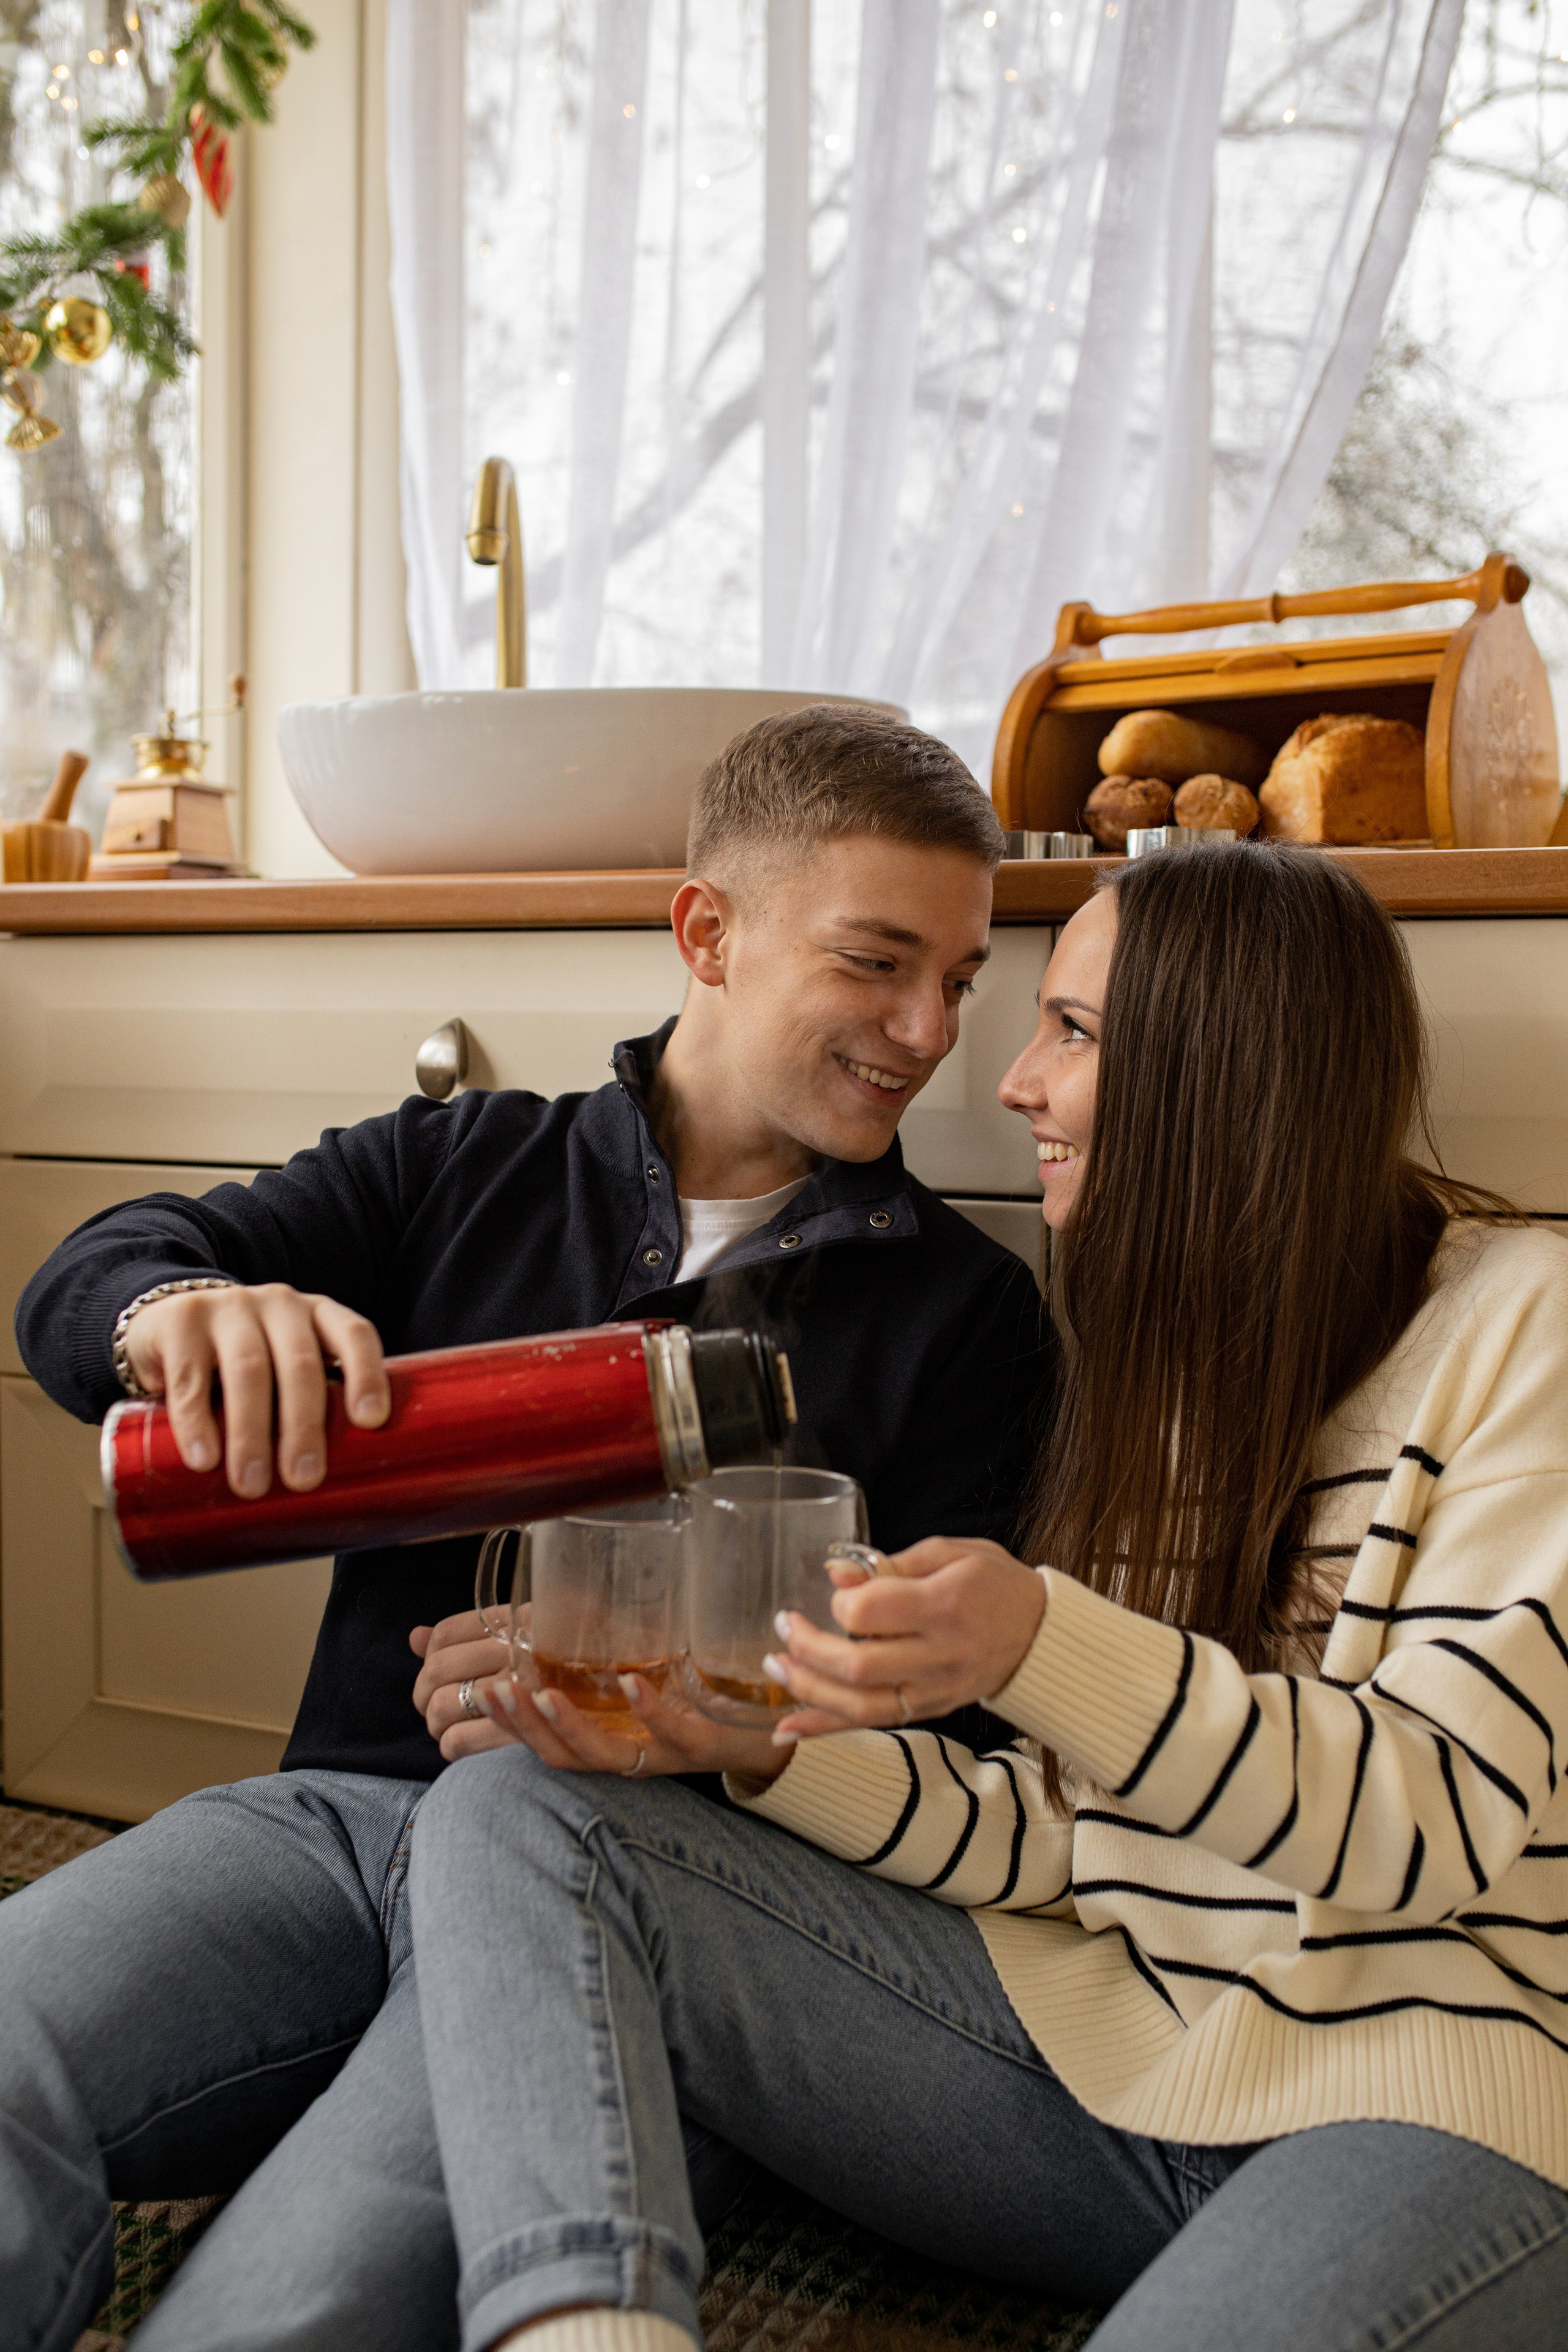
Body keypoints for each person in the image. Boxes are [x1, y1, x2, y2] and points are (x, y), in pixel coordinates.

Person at [407, 841, 1568, 2352]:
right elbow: (1061, 1843)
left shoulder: (1520, 1325)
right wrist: (749, 1746)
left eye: (1069, 1032)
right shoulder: (1160, 1379)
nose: (1010, 1080)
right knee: (520, 1810)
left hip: (1434, 2099)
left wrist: (1034, 1637)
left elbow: (1428, 1825)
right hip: (1090, 2076)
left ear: (1228, 1072)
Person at [0, 706, 1052, 2352]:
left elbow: (958, 1747)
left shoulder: (967, 1321)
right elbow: (88, 1276)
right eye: (875, 964)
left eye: (962, 978)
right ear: (707, 931)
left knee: (285, 2311)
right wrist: (179, 1315)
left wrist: (661, 1711)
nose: (931, 1030)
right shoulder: (456, 1164)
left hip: (640, 1910)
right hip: (339, 1829)